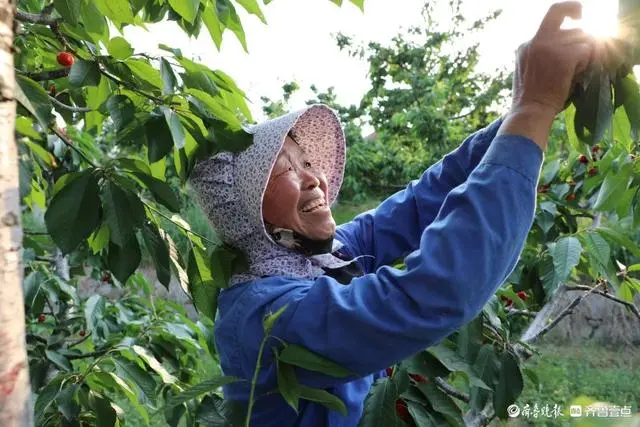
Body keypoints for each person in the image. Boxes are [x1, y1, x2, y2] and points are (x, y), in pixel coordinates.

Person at [189, 2, 598, 425]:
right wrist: (534, 109)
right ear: (252, 218)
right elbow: (431, 294)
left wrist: (525, 106)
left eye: (307, 163)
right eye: (284, 171)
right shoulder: (271, 315)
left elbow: (424, 199)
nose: (313, 179)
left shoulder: (317, 259)